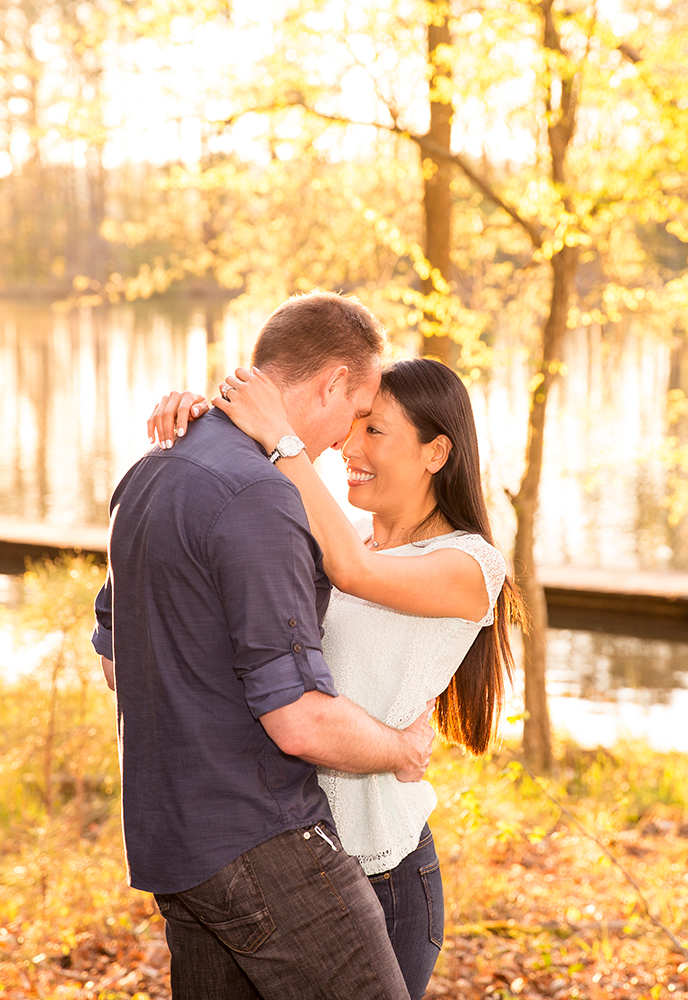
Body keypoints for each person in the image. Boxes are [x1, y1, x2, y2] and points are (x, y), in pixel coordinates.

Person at [92, 290, 434, 1000]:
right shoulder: (259, 494)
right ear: (333, 381)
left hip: (175, 847)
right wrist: (401, 748)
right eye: (358, 408)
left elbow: (116, 661)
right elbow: (299, 717)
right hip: (262, 838)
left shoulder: (151, 471)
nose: (348, 437)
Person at [148, 356, 523, 1000]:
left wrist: (282, 438)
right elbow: (237, 533)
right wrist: (202, 430)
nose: (349, 445)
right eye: (353, 425)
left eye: (373, 431)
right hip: (279, 853)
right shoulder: (340, 533)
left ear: (437, 453)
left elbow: (355, 574)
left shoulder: (469, 566)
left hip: (382, 874)